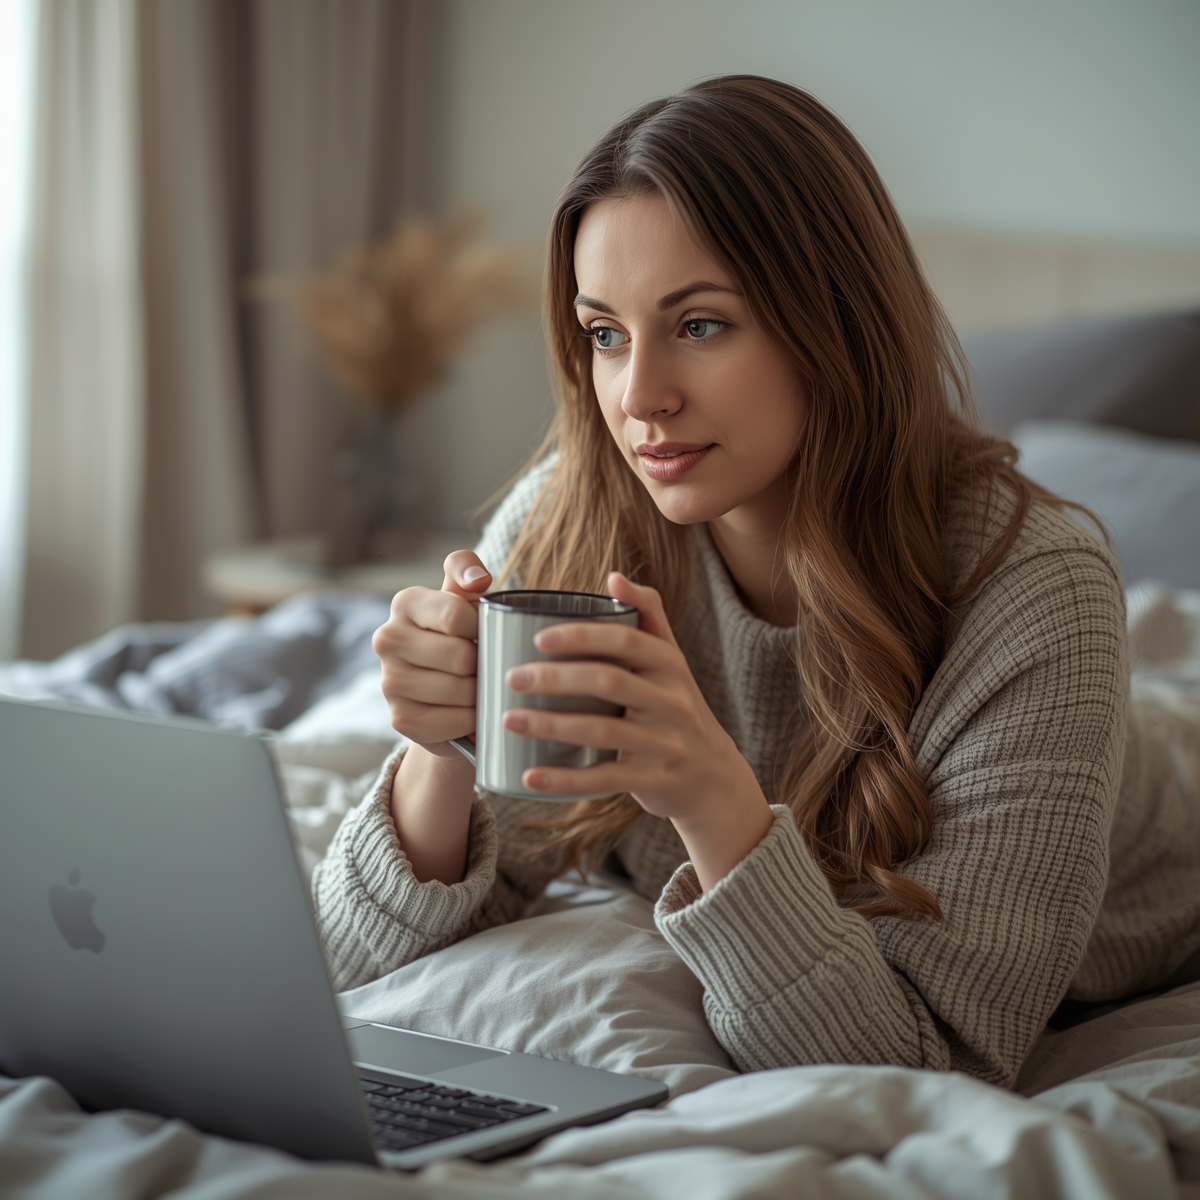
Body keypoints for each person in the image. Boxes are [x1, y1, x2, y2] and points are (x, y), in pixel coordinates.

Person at [313, 75, 1200, 1089]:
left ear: (835, 324)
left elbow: (926, 1061)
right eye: (605, 333)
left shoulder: (1037, 588)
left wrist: (710, 795)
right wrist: (441, 751)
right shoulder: (572, 522)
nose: (640, 397)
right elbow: (346, 973)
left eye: (699, 325)